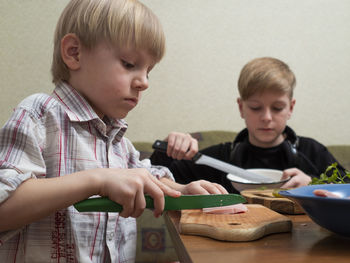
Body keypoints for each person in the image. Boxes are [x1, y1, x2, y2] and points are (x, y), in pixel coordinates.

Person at [0, 0, 227, 262]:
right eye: (130, 64)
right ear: (74, 53)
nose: (144, 82)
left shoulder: (119, 142)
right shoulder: (38, 115)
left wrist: (182, 190)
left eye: (148, 71)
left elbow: (148, 180)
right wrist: (97, 180)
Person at [151, 57, 347, 193]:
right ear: (241, 107)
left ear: (291, 108)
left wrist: (313, 185)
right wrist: (168, 148)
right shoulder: (220, 157)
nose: (266, 117)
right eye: (255, 108)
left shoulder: (312, 151)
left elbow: (346, 188)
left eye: (277, 108)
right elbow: (155, 177)